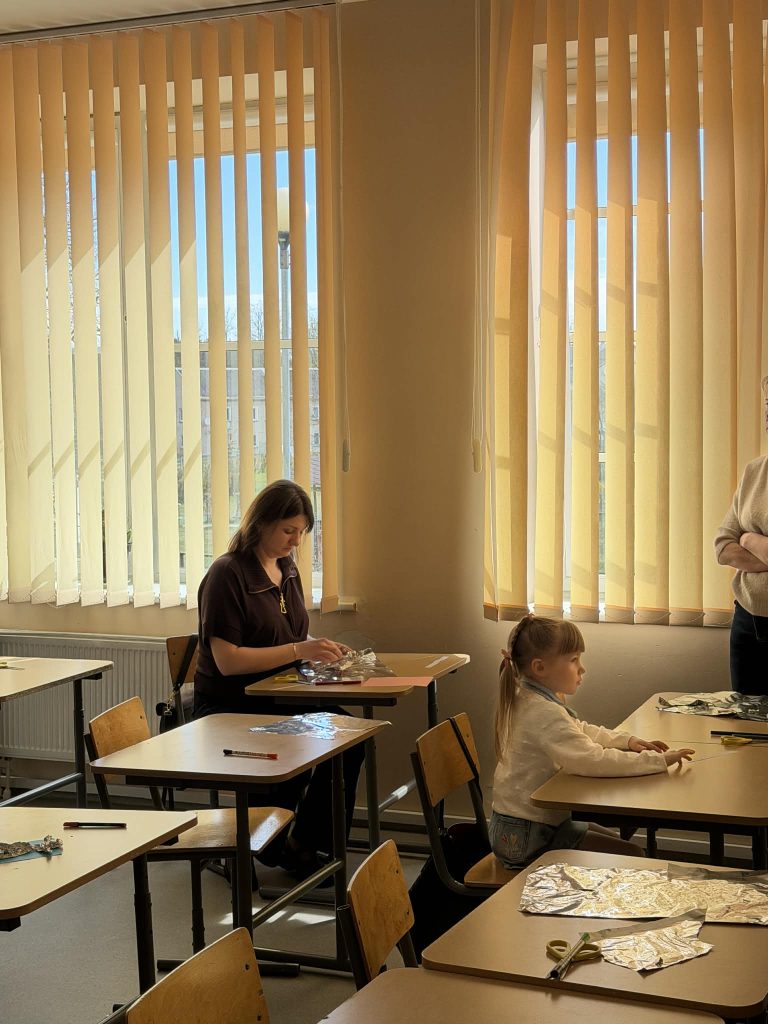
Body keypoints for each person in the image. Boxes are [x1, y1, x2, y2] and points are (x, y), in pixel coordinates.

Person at [193, 479, 364, 878]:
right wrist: (300, 651)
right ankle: (276, 839)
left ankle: (302, 841)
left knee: (350, 737)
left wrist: (320, 648)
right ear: (262, 523)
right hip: (232, 704)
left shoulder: (286, 569)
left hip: (279, 694)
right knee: (307, 740)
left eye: (301, 532)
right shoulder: (227, 574)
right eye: (289, 530)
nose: (296, 541)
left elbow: (288, 635)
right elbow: (228, 661)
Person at [490, 615, 695, 868]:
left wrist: (628, 741)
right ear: (540, 668)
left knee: (621, 845)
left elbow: (579, 730)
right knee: (632, 854)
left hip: (521, 829)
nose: (582, 668)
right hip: (528, 838)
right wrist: (657, 761)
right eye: (573, 660)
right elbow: (593, 760)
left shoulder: (529, 697)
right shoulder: (542, 712)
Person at [714, 375, 768, 695]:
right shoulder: (754, 471)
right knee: (743, 719)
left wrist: (748, 539)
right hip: (747, 622)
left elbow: (737, 540)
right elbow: (722, 546)